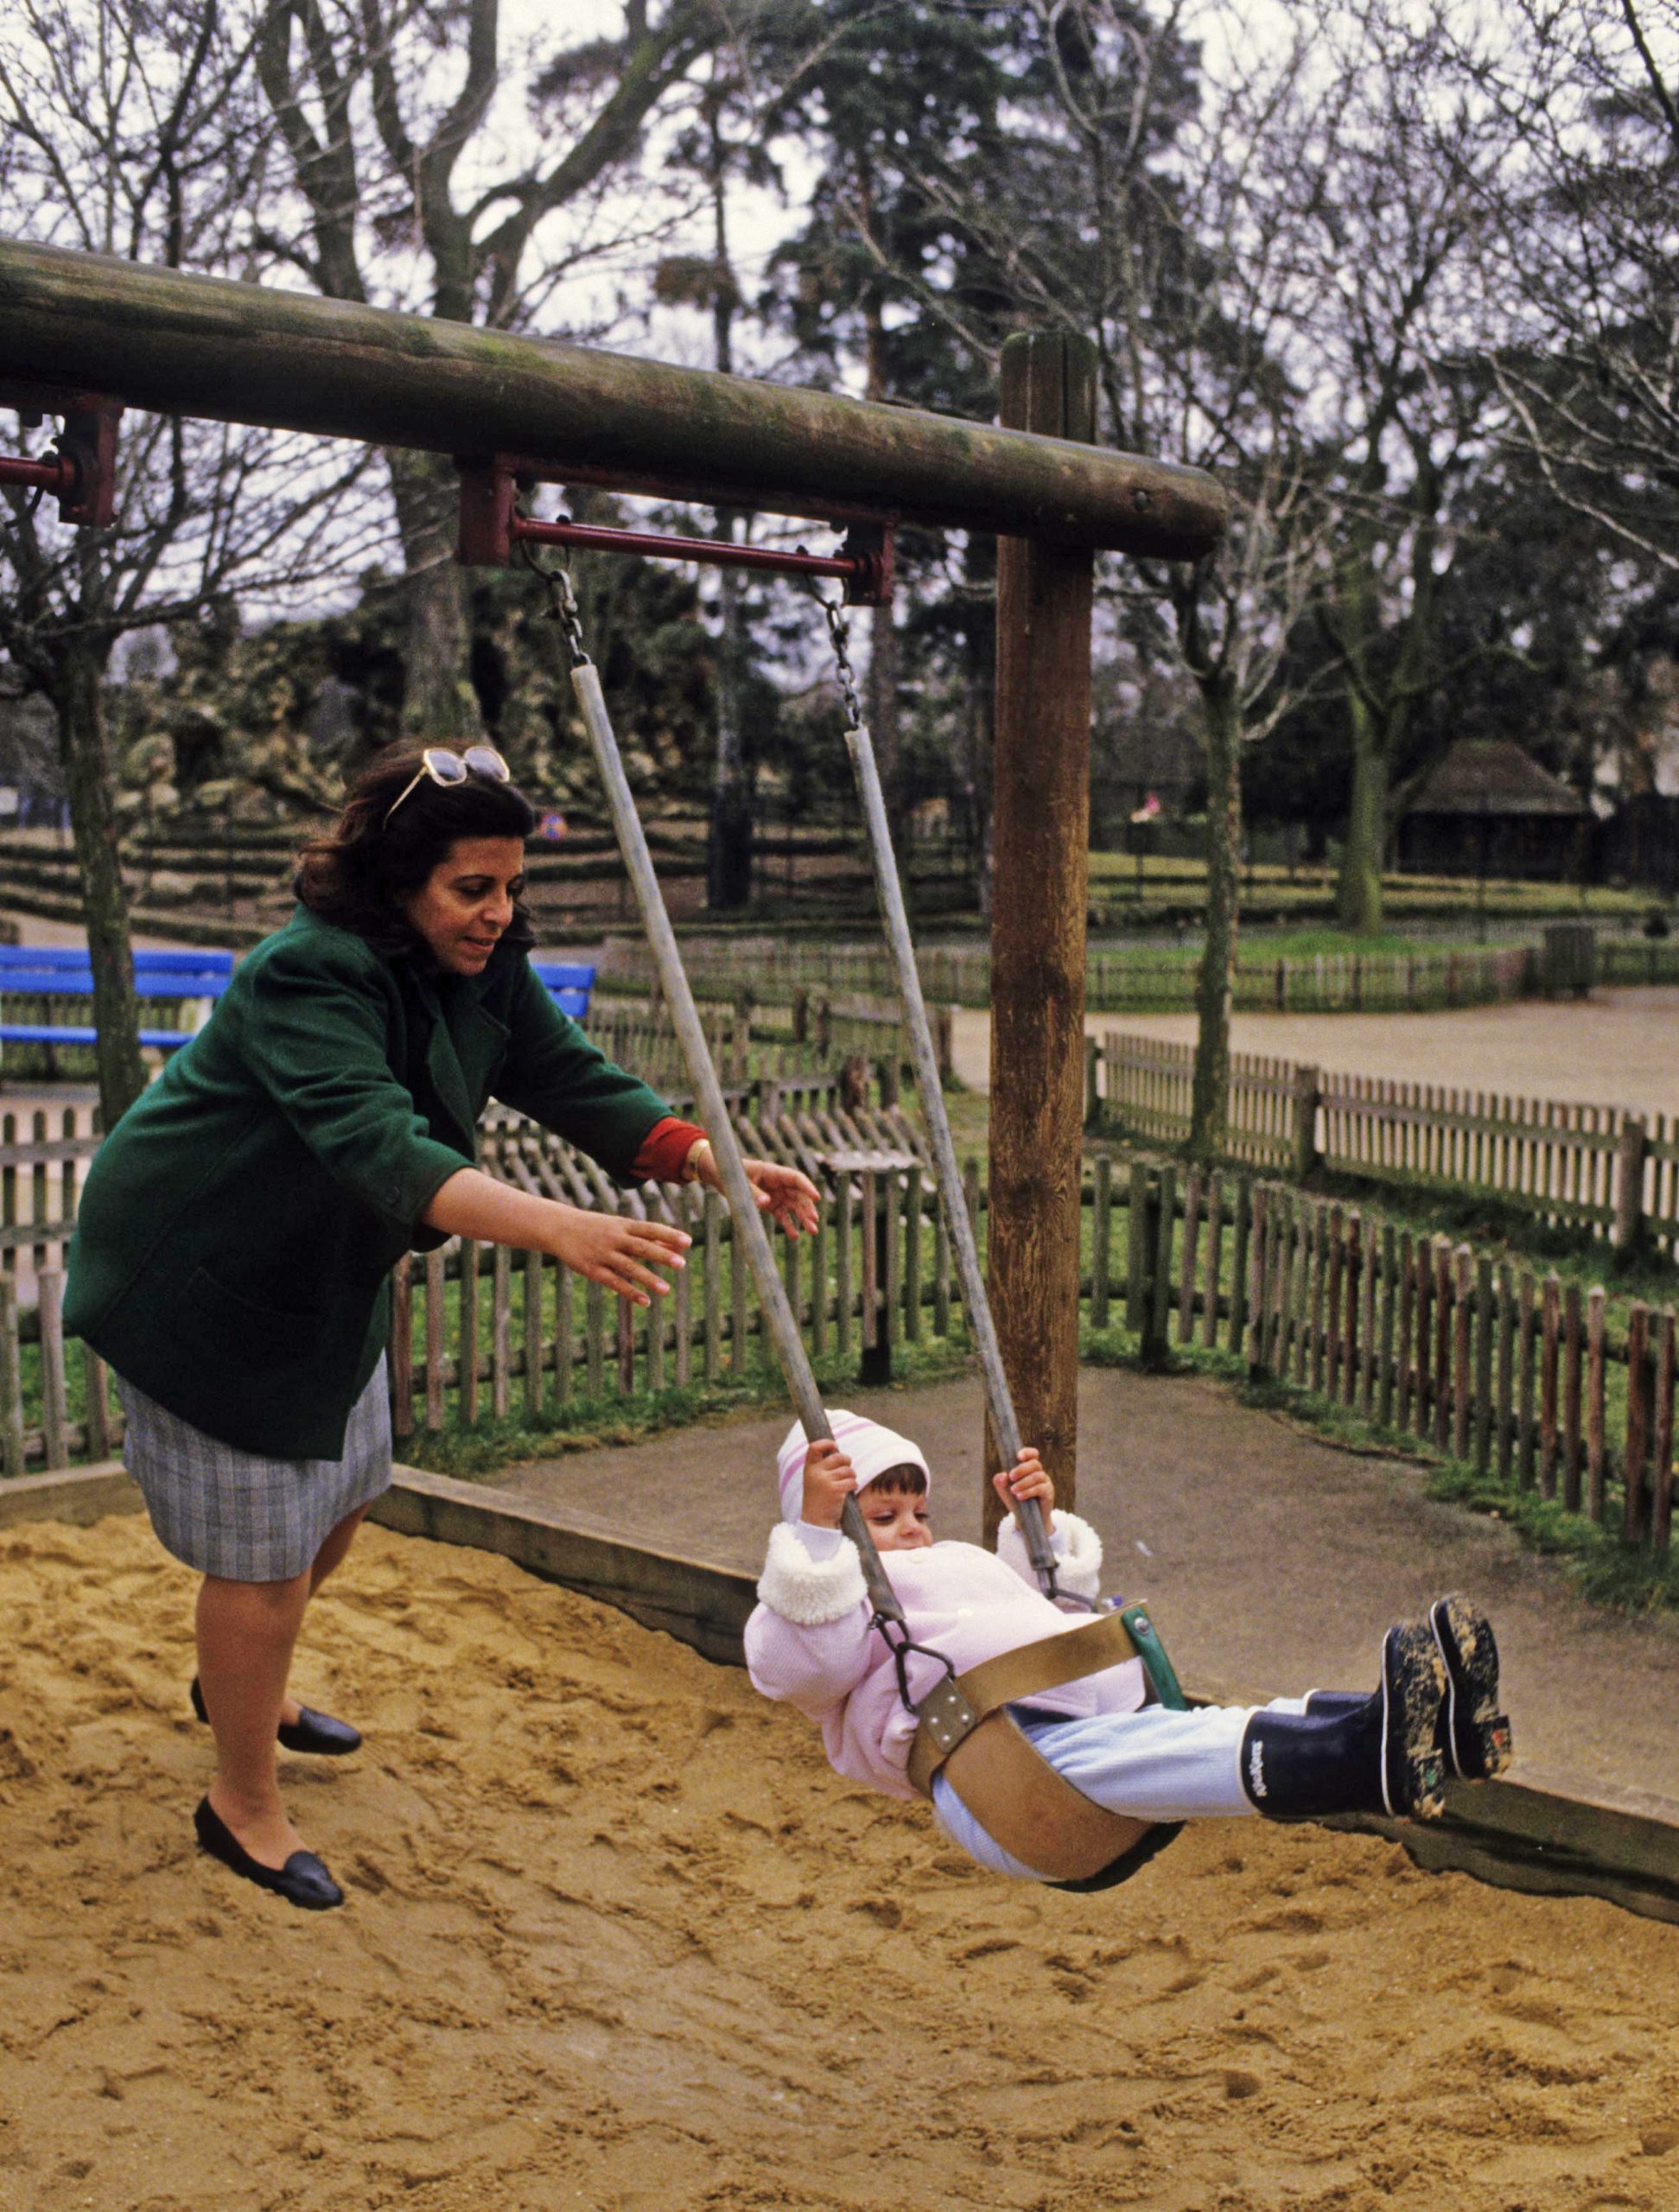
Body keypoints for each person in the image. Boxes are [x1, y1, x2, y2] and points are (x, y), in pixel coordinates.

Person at [65, 742, 819, 1912]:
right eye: (473, 888)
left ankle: (241, 1687)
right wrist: (557, 1229)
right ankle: (241, 1802)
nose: (499, 911)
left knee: (346, 1488)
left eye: (512, 886)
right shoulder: (306, 974)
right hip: (204, 1274)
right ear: (397, 880)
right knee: (259, 1557)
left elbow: (564, 1072)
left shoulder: (482, 963)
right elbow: (377, 1142)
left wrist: (702, 1158)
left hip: (320, 1268)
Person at [744, 1413, 1512, 1884]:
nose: (912, 1528)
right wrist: (814, 1543)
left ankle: (1429, 1736)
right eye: (883, 1517)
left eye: (918, 1510)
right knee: (1172, 1756)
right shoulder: (838, 1597)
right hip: (998, 1785)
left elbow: (1040, 1621)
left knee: (1197, 1732)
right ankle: (1360, 1758)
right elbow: (799, 1669)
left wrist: (1035, 1533)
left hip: (1067, 1730)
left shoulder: (955, 1566)